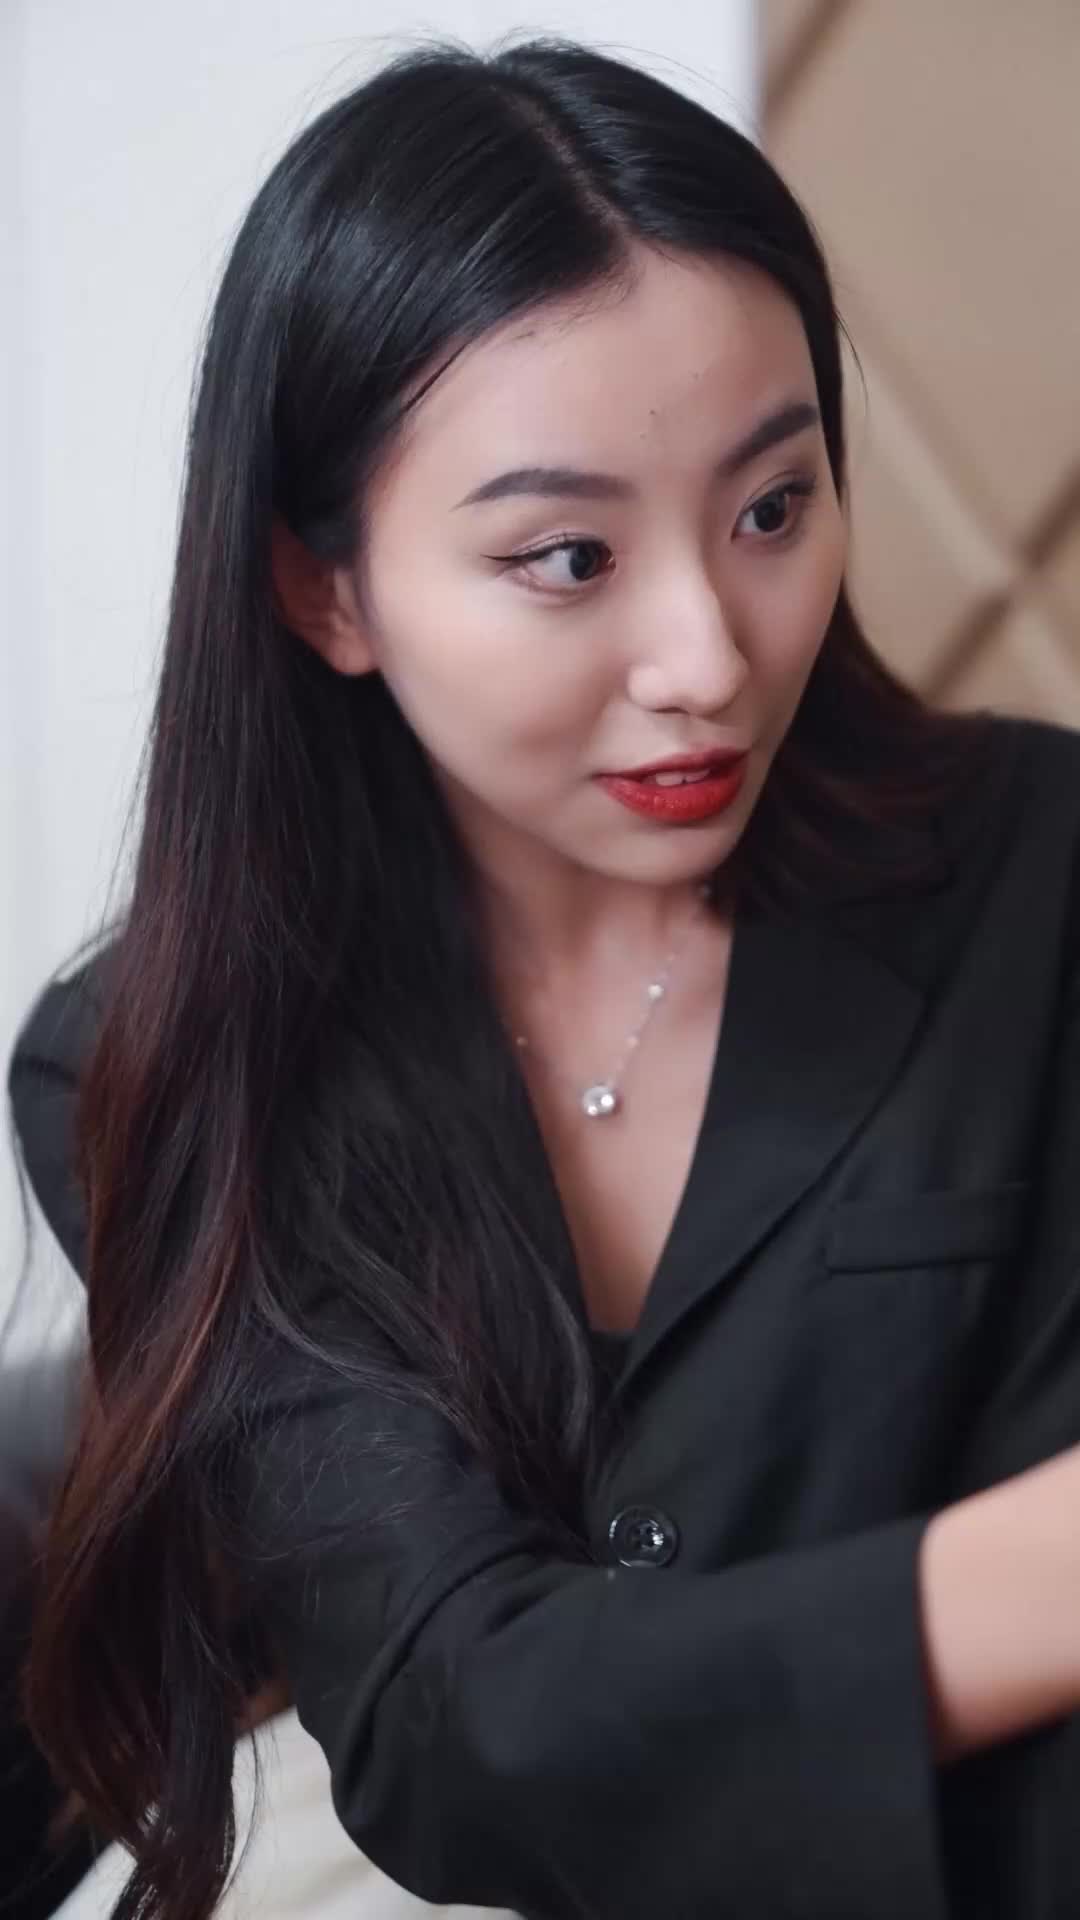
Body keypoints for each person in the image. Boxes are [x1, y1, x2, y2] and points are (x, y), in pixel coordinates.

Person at [6, 32, 1080, 1920]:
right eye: (569, 556)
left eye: (771, 509)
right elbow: (453, 1722)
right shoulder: (163, 1060)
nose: (708, 656)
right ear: (325, 589)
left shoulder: (1041, 872)